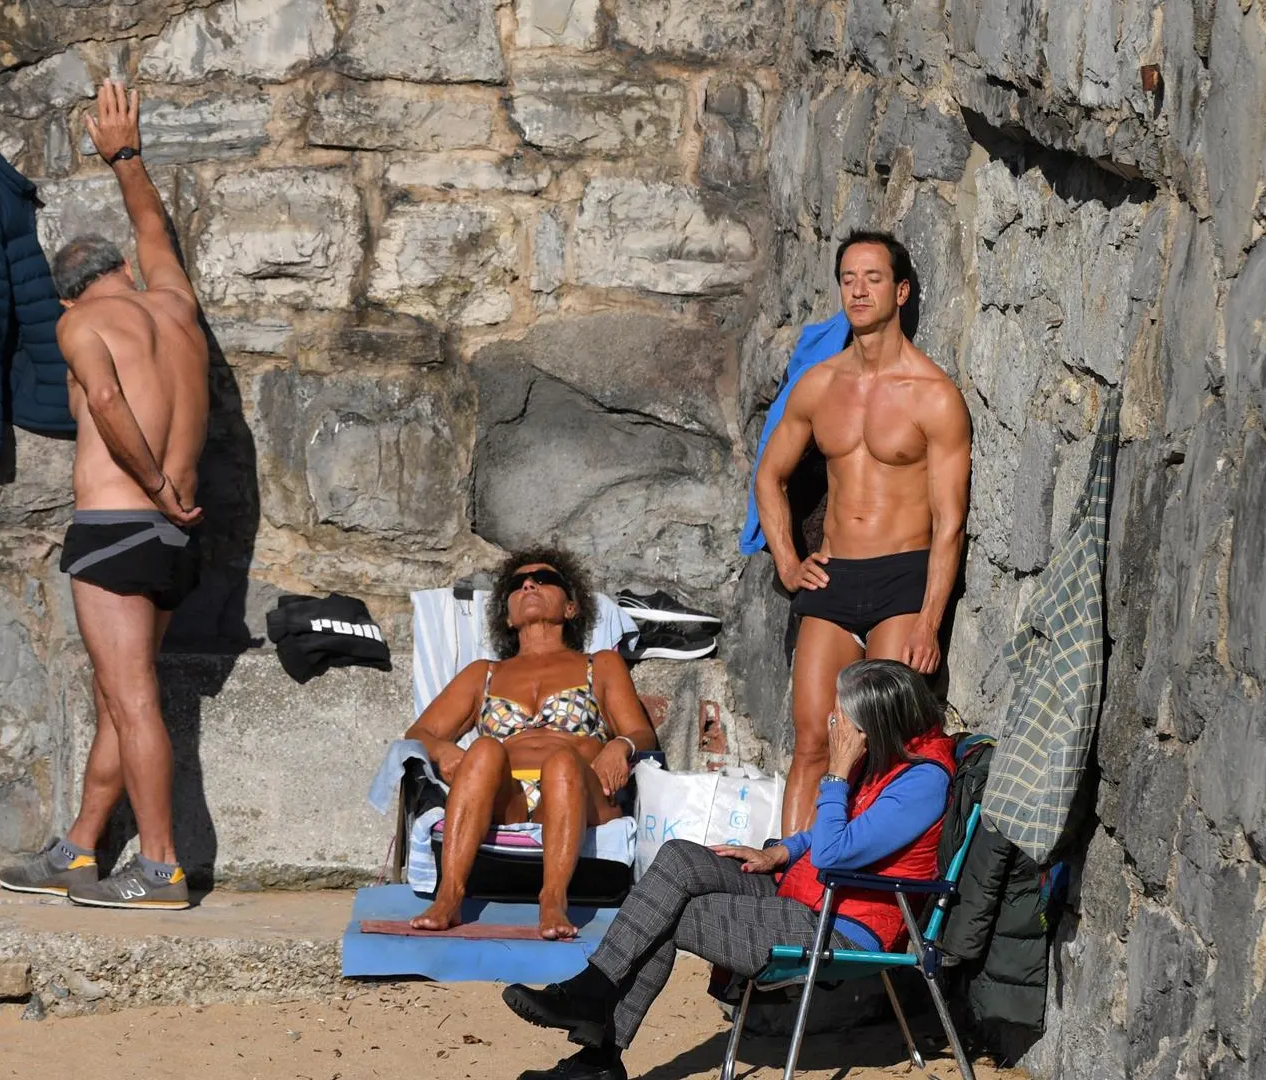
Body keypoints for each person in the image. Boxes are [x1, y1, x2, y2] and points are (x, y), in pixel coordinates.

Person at [501, 659, 957, 1080]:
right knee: (678, 858)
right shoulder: (885, 759)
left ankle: (597, 1051)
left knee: (670, 913)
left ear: (873, 727)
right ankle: (593, 996)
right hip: (809, 892)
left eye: (841, 719)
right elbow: (836, 836)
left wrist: (836, 772)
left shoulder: (921, 781)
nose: (832, 725)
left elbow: (836, 853)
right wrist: (781, 852)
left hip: (843, 925)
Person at [0, 80, 210, 911]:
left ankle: (160, 867)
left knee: (130, 696)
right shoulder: (177, 306)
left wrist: (153, 482)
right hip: (172, 541)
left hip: (122, 522)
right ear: (122, 267)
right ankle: (81, 849)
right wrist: (125, 158)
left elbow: (113, 407)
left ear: (69, 292)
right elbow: (155, 225)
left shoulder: (79, 324)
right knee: (116, 696)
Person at [753, 230, 971, 832]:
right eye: (849, 278)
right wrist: (787, 562)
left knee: (884, 748)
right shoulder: (820, 385)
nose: (859, 289)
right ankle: (794, 892)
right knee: (812, 743)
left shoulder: (934, 395)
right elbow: (769, 477)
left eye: (873, 278)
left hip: (903, 579)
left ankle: (859, 901)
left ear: (900, 292)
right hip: (833, 578)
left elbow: (950, 522)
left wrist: (929, 620)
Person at [403, 547, 657, 940]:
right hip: (510, 800)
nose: (529, 584)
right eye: (518, 585)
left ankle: (552, 899)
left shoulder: (601, 664)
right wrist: (442, 750)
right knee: (484, 750)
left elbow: (642, 734)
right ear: (507, 616)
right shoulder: (482, 674)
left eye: (545, 579)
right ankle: (449, 896)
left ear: (571, 608)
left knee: (562, 760)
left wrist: (620, 744)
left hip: (580, 790)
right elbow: (419, 734)